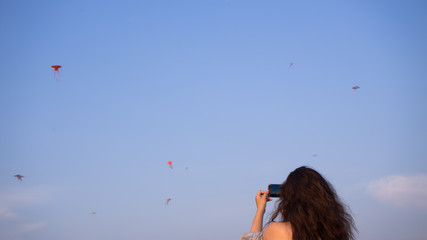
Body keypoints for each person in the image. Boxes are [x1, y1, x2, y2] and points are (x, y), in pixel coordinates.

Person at [239, 166, 356, 240]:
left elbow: (252, 238)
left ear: (289, 198)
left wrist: (260, 210)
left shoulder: (278, 231)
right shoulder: (335, 234)